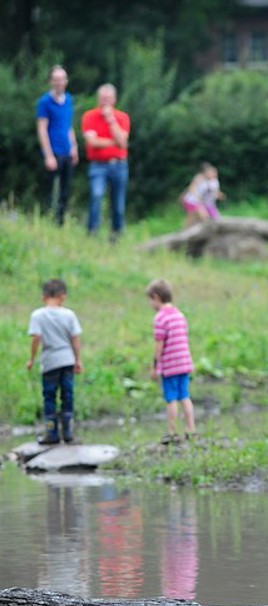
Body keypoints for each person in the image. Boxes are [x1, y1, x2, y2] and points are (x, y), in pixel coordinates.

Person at [26, 279, 83, 445]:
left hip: (49, 362)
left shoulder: (37, 315)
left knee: (49, 397)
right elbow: (75, 339)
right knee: (68, 395)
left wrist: (31, 359)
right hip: (67, 360)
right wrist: (78, 360)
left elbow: (36, 338)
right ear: (62, 296)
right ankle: (68, 433)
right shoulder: (69, 315)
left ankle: (51, 434)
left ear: (44, 297)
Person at [146, 279, 196, 445]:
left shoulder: (160, 318)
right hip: (184, 363)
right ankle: (191, 429)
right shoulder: (180, 315)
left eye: (150, 300)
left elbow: (159, 345)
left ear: (156, 297)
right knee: (185, 396)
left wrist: (155, 366)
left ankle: (172, 432)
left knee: (171, 398)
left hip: (170, 365)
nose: (150, 304)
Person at [81, 83, 130, 240]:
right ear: (98, 99)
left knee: (118, 205)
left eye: (108, 99)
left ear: (114, 100)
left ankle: (116, 235)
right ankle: (92, 233)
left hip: (119, 165)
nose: (105, 102)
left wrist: (111, 120)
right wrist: (114, 142)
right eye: (103, 99)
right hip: (98, 166)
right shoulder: (89, 116)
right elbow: (92, 143)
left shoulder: (122, 118)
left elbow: (123, 143)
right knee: (96, 195)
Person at [36, 65, 79, 226]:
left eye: (62, 79)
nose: (59, 82)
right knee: (49, 191)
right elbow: (42, 129)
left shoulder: (69, 99)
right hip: (53, 152)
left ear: (66, 81)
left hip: (67, 151)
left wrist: (74, 146)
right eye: (56, 79)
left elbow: (68, 125)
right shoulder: (44, 102)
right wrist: (48, 155)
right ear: (51, 81)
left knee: (65, 192)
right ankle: (46, 221)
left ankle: (60, 223)